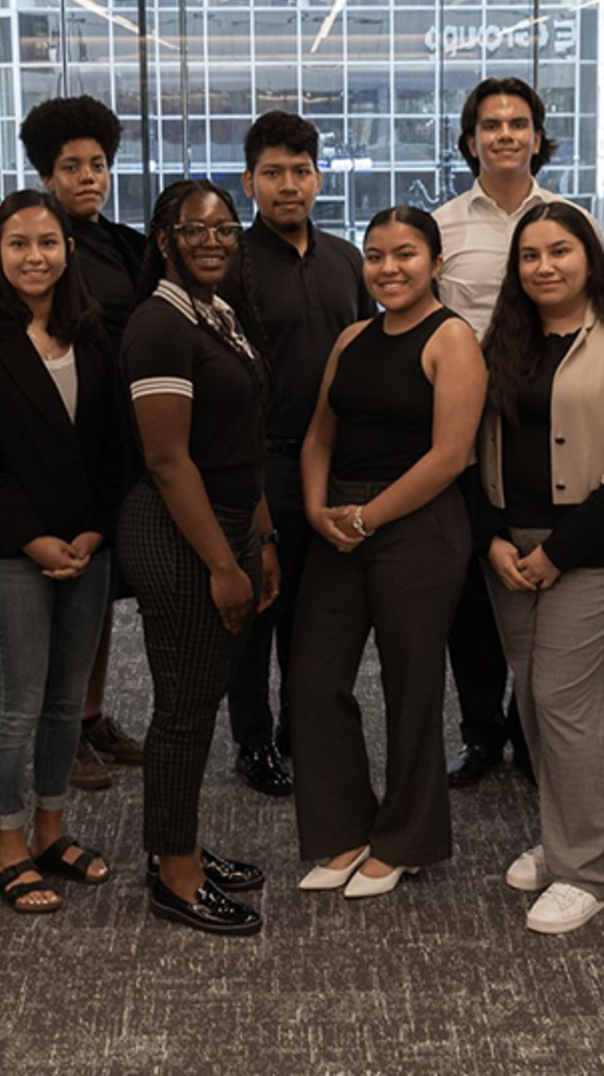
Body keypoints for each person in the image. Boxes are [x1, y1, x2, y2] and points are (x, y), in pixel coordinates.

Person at [474, 203, 604, 934]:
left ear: (590, 256)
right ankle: (560, 841)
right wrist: (492, 536)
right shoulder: (504, 340)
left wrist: (557, 554)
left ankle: (587, 869)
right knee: (531, 699)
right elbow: (474, 447)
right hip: (511, 544)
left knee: (560, 698)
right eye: (530, 256)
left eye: (560, 251)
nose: (545, 267)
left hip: (595, 548)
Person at [291, 207, 484, 899]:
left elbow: (451, 455)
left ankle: (406, 838)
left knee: (411, 687)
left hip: (418, 524)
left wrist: (368, 517)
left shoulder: (451, 338)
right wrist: (318, 510)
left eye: (405, 254)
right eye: (375, 255)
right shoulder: (351, 337)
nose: (388, 268)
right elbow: (318, 435)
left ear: (435, 263)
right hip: (339, 517)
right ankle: (344, 830)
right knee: (313, 679)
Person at [0, 189, 126, 916]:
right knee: (17, 704)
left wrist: (92, 532)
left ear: (67, 250)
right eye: (18, 244)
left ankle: (52, 832)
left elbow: (117, 446)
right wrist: (36, 538)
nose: (34, 257)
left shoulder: (93, 330)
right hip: (13, 548)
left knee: (64, 704)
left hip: (87, 544)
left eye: (47, 243)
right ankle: (10, 847)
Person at [119, 178, 280, 936]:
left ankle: (178, 844)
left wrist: (262, 537)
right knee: (183, 712)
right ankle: (174, 876)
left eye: (223, 229)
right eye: (194, 230)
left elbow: (239, 442)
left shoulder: (213, 314)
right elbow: (167, 458)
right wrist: (223, 564)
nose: (212, 241)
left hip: (227, 523)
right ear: (164, 239)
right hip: (182, 536)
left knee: (199, 702)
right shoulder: (158, 325)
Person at [433, 76, 582, 788]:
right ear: (470, 142)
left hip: (548, 417)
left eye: (518, 123)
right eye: (489, 125)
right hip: (466, 423)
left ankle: (533, 733)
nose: (504, 135)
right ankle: (481, 732)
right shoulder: (443, 226)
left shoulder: (570, 219)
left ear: (537, 136)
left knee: (543, 576)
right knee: (473, 587)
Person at [224, 111, 374, 798]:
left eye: (301, 171)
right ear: (249, 181)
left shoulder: (347, 258)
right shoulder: (231, 263)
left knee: (318, 609)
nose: (289, 185)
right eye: (273, 173)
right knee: (258, 610)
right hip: (260, 465)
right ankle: (252, 741)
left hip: (336, 465)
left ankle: (297, 726)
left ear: (319, 177)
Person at [21, 95, 150, 787]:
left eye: (97, 164)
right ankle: (59, 726)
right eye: (70, 167)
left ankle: (90, 713)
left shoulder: (121, 240)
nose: (87, 178)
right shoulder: (39, 243)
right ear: (46, 175)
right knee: (60, 586)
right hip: (61, 433)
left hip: (118, 434)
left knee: (101, 587)